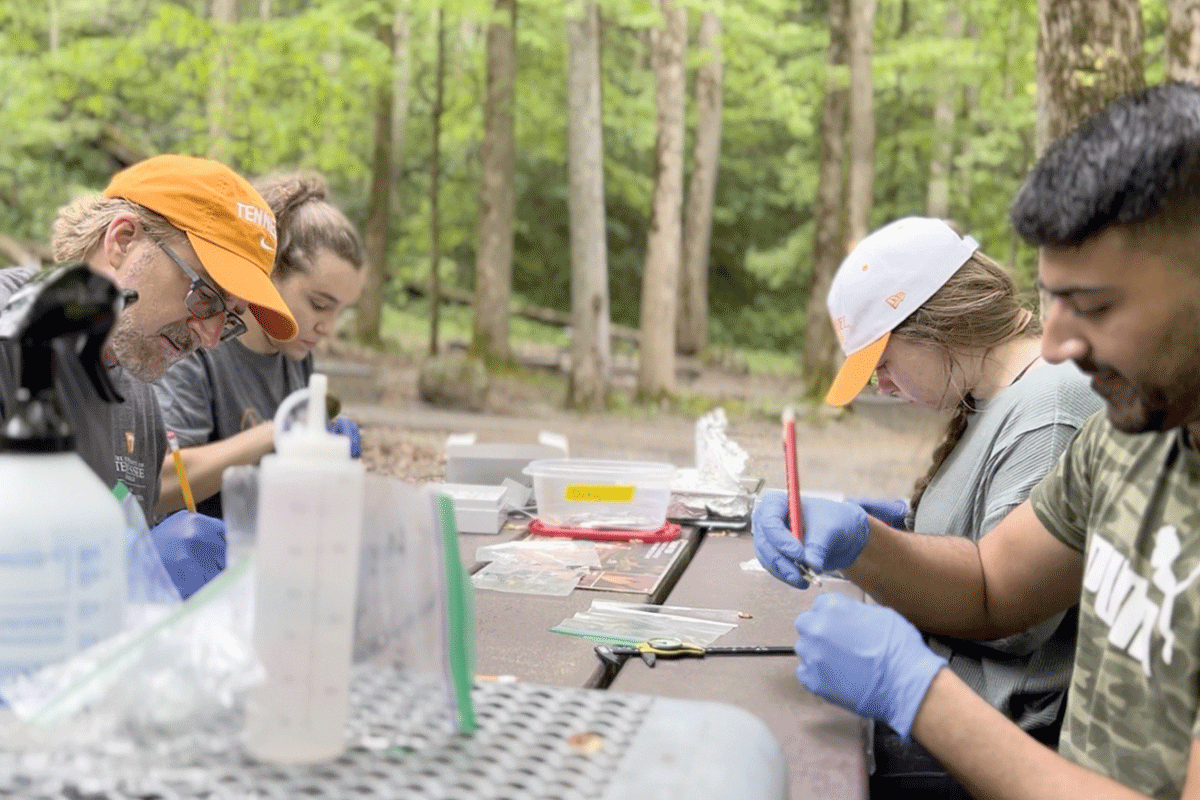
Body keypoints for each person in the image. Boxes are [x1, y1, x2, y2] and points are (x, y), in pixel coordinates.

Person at [755, 81, 1200, 799]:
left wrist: (915, 691)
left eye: (1093, 306)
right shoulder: (1128, 441)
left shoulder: (1084, 407)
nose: (1052, 341)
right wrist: (862, 539)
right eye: (1051, 300)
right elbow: (994, 588)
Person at [764, 216, 1102, 797]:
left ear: (933, 323)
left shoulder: (1051, 406)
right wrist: (887, 523)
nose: (880, 386)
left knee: (784, 762)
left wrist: (867, 543)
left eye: (881, 362)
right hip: (955, 710)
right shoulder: (993, 396)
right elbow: (977, 535)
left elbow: (1010, 618)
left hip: (994, 739)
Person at [0, 154, 296, 527]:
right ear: (123, 241)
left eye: (232, 317)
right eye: (205, 295)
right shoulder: (12, 337)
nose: (209, 337)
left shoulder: (140, 402)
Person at [153, 171, 366, 520]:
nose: (327, 328)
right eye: (319, 304)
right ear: (267, 273)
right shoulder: (196, 346)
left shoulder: (296, 352)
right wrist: (277, 432)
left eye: (340, 312)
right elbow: (159, 485)